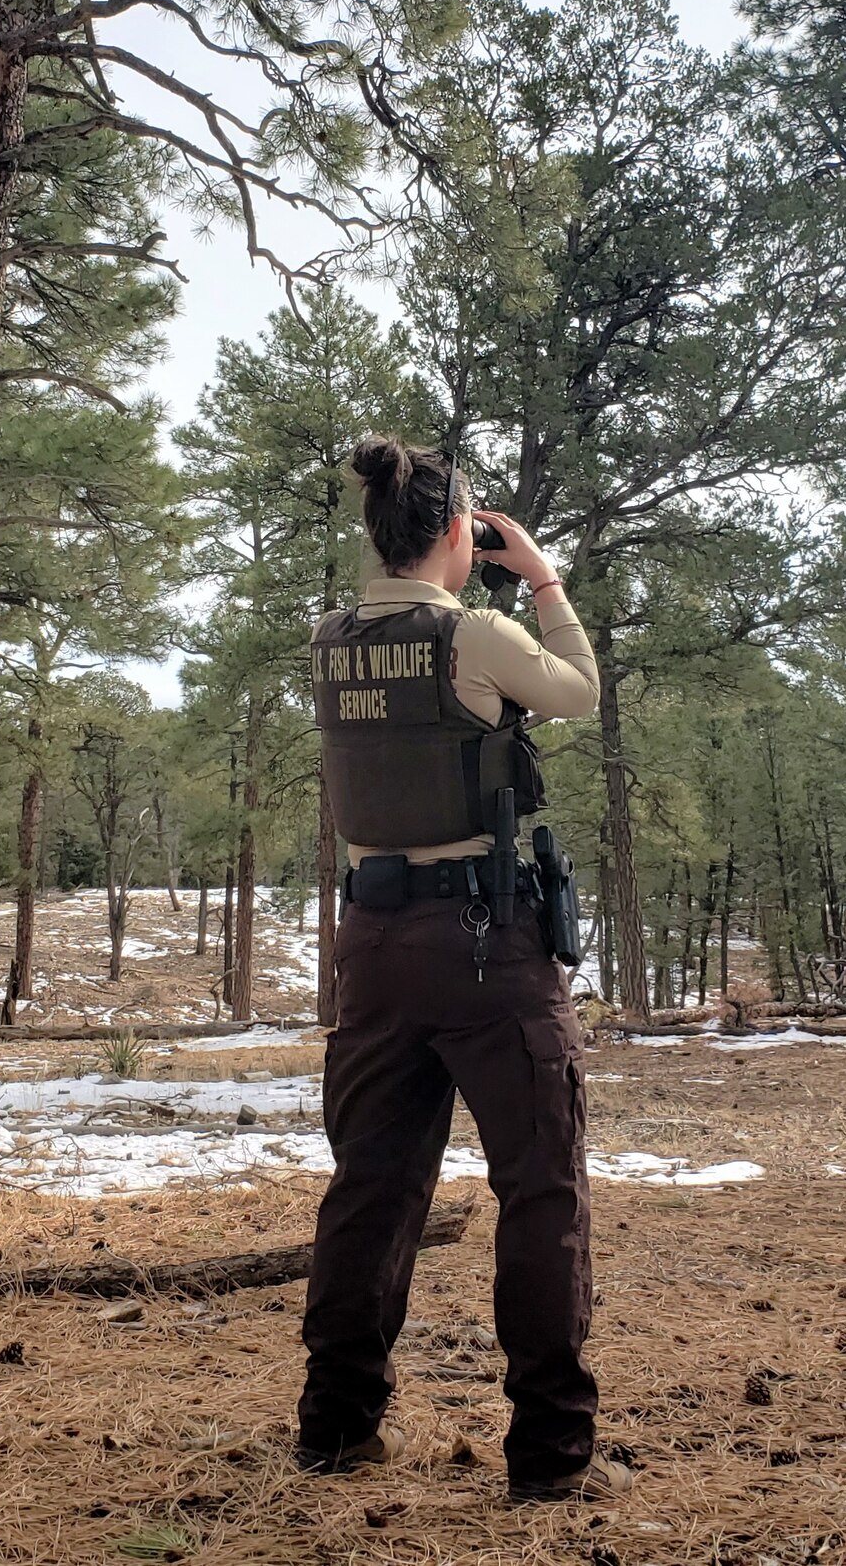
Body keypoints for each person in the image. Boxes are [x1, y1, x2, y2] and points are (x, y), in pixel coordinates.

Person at [294, 433, 632, 1504]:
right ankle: (546, 1457)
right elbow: (577, 690)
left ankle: (335, 1429)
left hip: (372, 947)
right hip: (485, 945)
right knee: (540, 1189)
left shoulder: (327, 640)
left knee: (371, 1189)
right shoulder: (476, 635)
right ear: (457, 533)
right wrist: (537, 576)